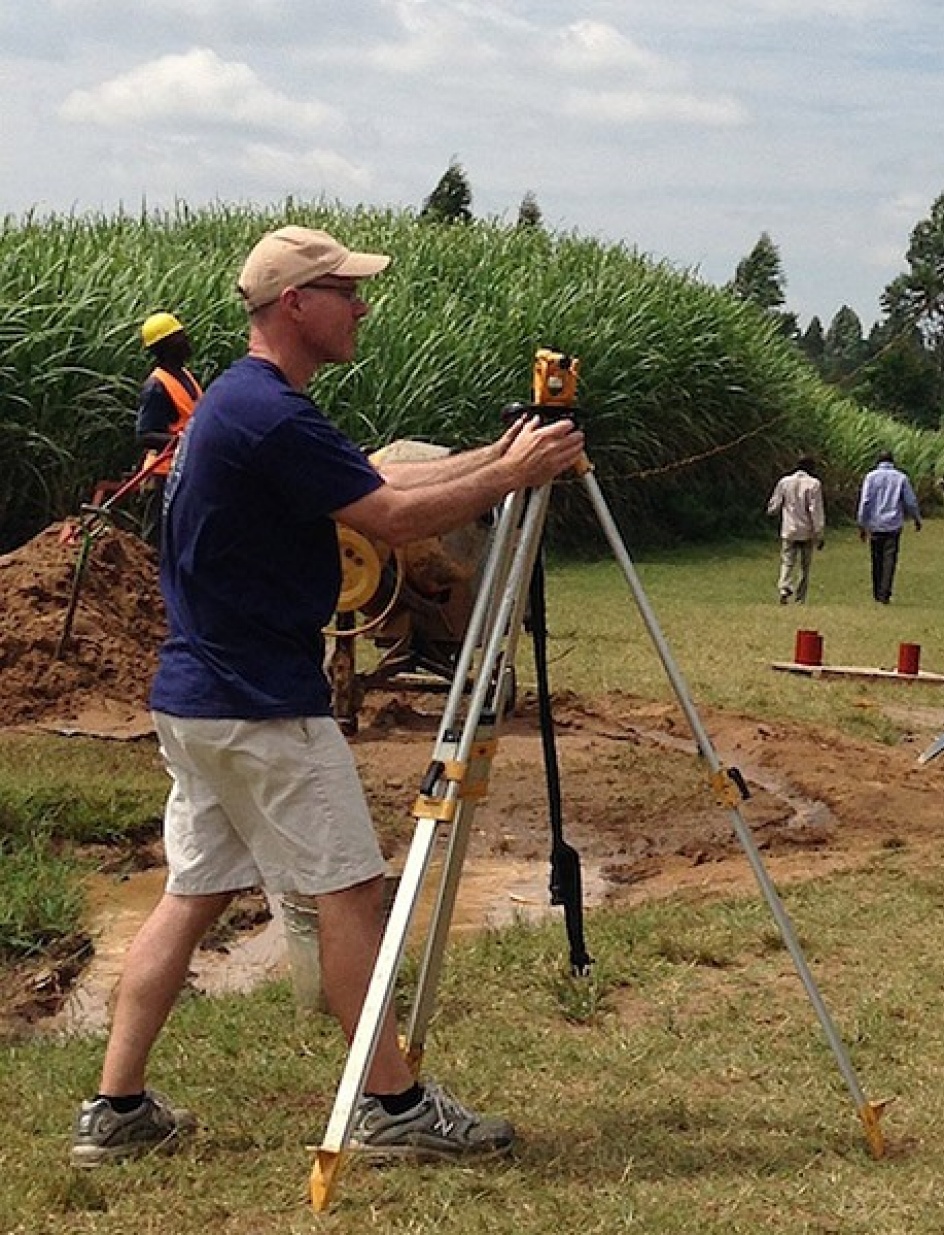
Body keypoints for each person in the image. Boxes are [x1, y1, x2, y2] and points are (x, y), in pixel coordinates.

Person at [70, 224, 586, 1169]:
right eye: (345, 290)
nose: (361, 305)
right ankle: (389, 1105)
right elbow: (388, 518)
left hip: (198, 695)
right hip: (260, 700)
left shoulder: (249, 403)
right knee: (351, 889)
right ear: (295, 305)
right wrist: (511, 475)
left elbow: (377, 478)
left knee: (189, 894)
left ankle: (117, 1107)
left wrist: (494, 456)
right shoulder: (267, 412)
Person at [131, 311, 204, 543]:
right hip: (163, 474)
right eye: (180, 338)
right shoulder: (156, 386)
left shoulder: (185, 376)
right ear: (166, 347)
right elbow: (144, 436)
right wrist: (184, 439)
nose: (187, 341)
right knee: (156, 540)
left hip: (184, 469)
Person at [856, 450, 921, 604]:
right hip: (893, 525)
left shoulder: (871, 477)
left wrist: (861, 523)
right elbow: (910, 502)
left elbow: (865, 501)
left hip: (875, 524)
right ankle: (885, 593)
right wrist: (916, 518)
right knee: (889, 559)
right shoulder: (901, 477)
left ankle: (877, 592)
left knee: (876, 558)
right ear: (893, 461)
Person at [766, 456, 826, 604]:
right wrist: (819, 533)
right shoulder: (814, 484)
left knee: (787, 562)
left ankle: (784, 587)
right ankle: (800, 598)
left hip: (789, 529)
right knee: (805, 567)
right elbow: (815, 510)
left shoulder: (784, 482)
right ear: (811, 468)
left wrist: (771, 511)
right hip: (807, 531)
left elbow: (774, 505)